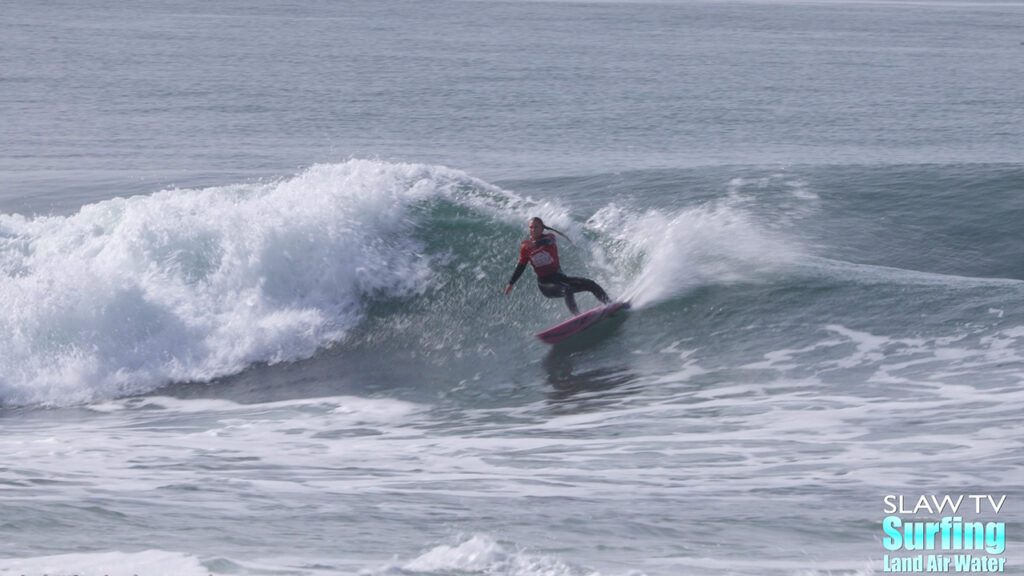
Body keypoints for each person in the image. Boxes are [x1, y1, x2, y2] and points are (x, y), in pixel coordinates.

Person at [504, 217, 611, 316]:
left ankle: (610, 304)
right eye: (531, 227)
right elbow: (521, 266)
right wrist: (511, 283)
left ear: (542, 228)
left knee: (590, 284)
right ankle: (578, 316)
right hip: (546, 284)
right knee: (567, 289)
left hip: (560, 278)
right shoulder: (525, 248)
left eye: (536, 227)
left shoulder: (550, 237)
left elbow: (548, 241)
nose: (533, 229)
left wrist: (535, 244)